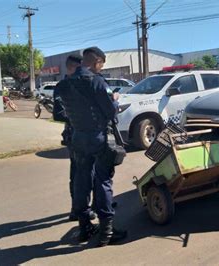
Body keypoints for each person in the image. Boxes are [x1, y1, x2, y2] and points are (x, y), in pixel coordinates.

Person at [57, 47, 127, 247]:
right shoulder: (97, 82)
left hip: (78, 138)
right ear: (96, 61)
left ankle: (84, 227)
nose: (100, 68)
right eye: (101, 64)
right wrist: (114, 100)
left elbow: (63, 112)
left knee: (81, 179)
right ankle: (107, 231)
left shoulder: (63, 85)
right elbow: (111, 113)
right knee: (103, 180)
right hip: (97, 137)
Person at [53, 54, 97, 222]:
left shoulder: (85, 82)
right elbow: (58, 113)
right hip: (74, 134)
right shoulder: (62, 86)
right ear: (71, 67)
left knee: (91, 173)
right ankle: (76, 209)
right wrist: (78, 117)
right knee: (78, 173)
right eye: (78, 67)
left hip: (89, 133)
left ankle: (91, 205)